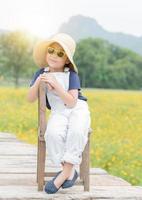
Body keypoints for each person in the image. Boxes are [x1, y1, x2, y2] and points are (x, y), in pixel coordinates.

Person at [27, 33, 91, 194]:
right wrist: (38, 82)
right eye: (51, 50)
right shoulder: (41, 72)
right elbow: (30, 98)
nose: (54, 55)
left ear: (67, 59)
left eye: (60, 53)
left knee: (77, 131)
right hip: (58, 111)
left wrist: (56, 85)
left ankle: (64, 174)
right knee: (53, 135)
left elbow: (71, 102)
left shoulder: (72, 74)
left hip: (77, 109)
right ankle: (68, 171)